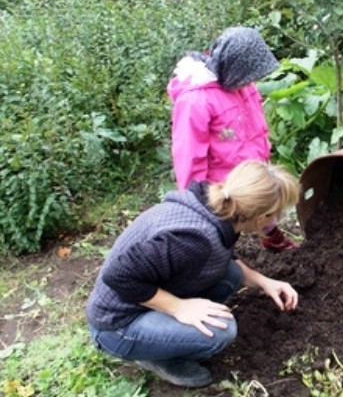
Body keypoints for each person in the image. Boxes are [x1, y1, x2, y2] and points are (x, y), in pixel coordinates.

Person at [85, 160, 300, 388]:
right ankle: (156, 357)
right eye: (276, 214)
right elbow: (118, 275)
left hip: (140, 298)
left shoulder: (215, 206)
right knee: (222, 330)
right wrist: (179, 307)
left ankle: (168, 337)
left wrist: (264, 281)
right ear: (261, 217)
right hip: (116, 325)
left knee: (232, 273)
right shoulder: (192, 240)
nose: (277, 221)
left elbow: (224, 256)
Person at [167, 26, 299, 252]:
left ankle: (272, 238)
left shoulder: (243, 86)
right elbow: (188, 156)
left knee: (266, 206)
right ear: (233, 66)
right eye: (247, 76)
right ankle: (221, 263)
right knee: (220, 234)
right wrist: (193, 201)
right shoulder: (195, 101)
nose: (251, 81)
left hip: (251, 173)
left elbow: (255, 128)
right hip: (223, 186)